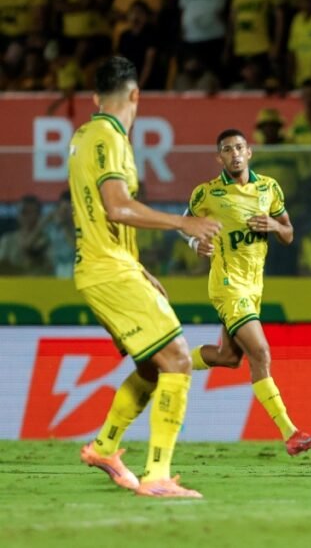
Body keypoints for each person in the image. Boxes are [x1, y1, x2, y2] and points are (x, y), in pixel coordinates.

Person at [74, 56, 222, 498]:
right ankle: (157, 476)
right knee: (177, 360)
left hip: (105, 268)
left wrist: (140, 269)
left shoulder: (83, 136)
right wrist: (183, 223)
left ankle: (104, 448)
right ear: (136, 94)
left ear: (96, 97)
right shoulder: (110, 138)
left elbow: (95, 215)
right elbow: (117, 207)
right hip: (108, 270)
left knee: (151, 368)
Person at [184, 129, 311, 456]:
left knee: (229, 358)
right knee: (260, 353)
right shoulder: (207, 193)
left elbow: (289, 233)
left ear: (249, 153)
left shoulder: (269, 188)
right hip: (228, 285)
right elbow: (184, 223)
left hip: (254, 287)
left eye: (239, 148)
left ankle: (172, 361)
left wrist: (274, 226)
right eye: (227, 150)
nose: (234, 154)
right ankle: (291, 433)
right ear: (219, 158)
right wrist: (194, 242)